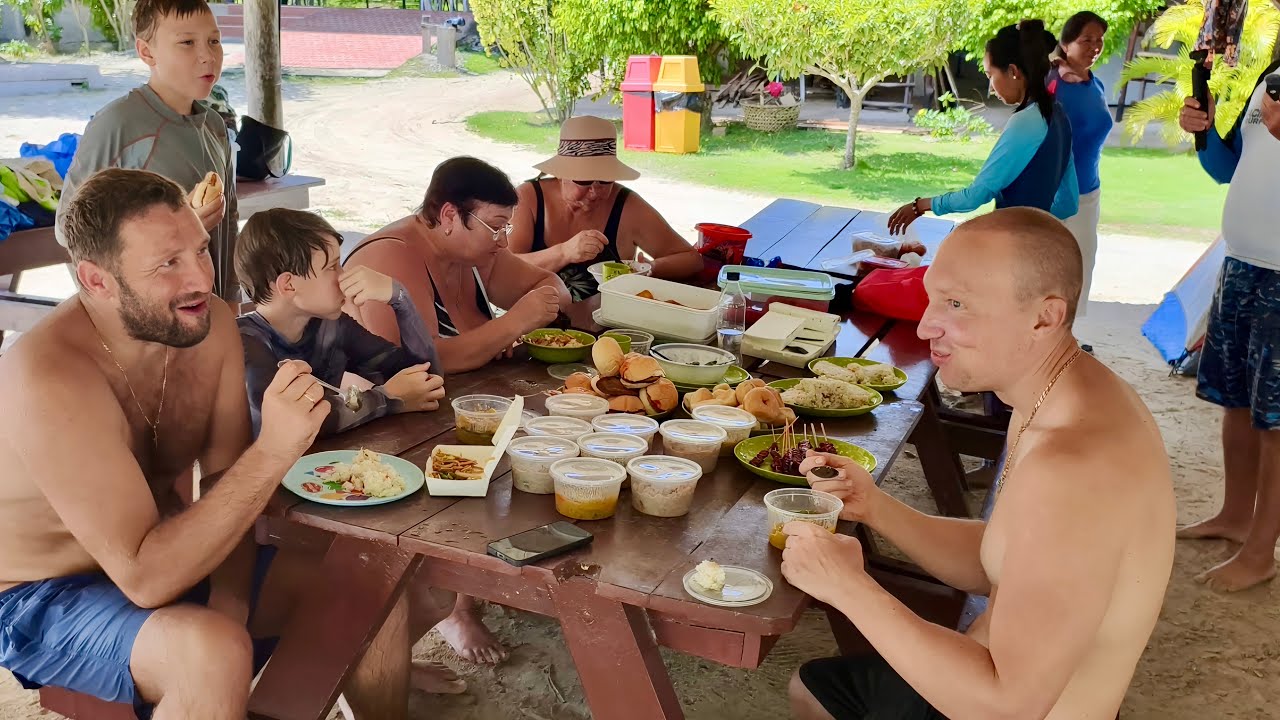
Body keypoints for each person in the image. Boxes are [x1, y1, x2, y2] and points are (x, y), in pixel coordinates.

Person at [784, 207, 1174, 719]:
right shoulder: (1064, 393)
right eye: (932, 298)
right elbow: (1009, 558)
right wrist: (876, 507)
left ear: (1044, 317)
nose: (926, 326)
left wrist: (849, 587)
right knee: (815, 688)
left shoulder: (1072, 467)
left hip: (1004, 704)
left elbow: (1004, 705)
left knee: (816, 690)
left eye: (957, 304)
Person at [0, 168, 331, 718]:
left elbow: (228, 480)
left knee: (348, 574)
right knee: (210, 654)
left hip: (162, 554)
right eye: (167, 265)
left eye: (200, 251)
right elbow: (147, 578)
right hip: (37, 594)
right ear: (97, 280)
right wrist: (274, 450)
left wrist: (231, 598)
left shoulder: (211, 324)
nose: (201, 278)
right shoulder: (48, 375)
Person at [1175, 56, 1280, 592]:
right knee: (1236, 400)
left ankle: (1262, 550)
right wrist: (1207, 131)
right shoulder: (1272, 77)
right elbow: (1226, 167)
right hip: (1242, 266)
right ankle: (1235, 516)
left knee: (1276, 421)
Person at [55, 0, 240, 303]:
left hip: (207, 307)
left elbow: (229, 220)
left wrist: (230, 301)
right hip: (147, 315)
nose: (207, 56)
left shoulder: (215, 126)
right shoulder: (118, 125)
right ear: (146, 52)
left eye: (214, 41)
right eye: (187, 43)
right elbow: (69, 230)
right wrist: (181, 229)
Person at [347, 156, 571, 376]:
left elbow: (553, 288)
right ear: (450, 216)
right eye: (495, 227)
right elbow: (416, 363)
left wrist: (529, 318)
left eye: (505, 228)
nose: (503, 241)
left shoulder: (476, 253)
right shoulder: (391, 257)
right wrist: (513, 324)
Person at [235, 208, 446, 437]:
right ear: (288, 285)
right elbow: (298, 422)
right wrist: (387, 399)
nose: (344, 277)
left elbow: (428, 379)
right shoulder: (245, 342)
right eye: (332, 267)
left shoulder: (331, 327)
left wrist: (401, 299)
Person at [888, 21, 1078, 236]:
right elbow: (1068, 203)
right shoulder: (1059, 114)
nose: (990, 87)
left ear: (1013, 71)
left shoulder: (1026, 122)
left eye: (990, 76)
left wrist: (919, 206)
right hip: (1040, 241)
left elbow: (976, 196)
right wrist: (1035, 221)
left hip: (1013, 244)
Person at [507, 115, 704, 301]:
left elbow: (691, 260)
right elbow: (504, 268)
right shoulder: (529, 199)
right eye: (583, 181)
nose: (594, 192)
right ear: (560, 174)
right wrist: (564, 253)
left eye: (605, 180)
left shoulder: (626, 206)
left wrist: (650, 267)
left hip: (607, 325)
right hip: (534, 327)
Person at [1050, 11, 1111, 319]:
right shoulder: (1053, 83)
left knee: (1083, 266)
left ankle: (1068, 334)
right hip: (1054, 194)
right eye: (1086, 39)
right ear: (1066, 42)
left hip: (1089, 193)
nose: (1094, 46)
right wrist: (1053, 67)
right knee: (1048, 269)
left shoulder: (1095, 84)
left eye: (1099, 40)